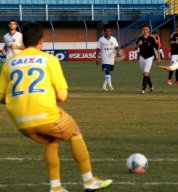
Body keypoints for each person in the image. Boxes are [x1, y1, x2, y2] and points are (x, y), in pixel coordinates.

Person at [0, 22, 112, 192]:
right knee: (74, 131)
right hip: (44, 113)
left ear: (25, 40)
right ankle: (89, 181)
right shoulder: (49, 60)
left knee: (52, 139)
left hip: (20, 121)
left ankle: (56, 187)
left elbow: (1, 96)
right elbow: (62, 96)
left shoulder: (9, 63)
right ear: (41, 41)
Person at [135, 24, 160, 94]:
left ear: (149, 30)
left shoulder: (152, 38)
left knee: (146, 73)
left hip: (149, 57)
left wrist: (158, 58)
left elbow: (157, 48)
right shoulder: (140, 38)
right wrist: (138, 44)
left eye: (146, 29)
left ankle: (143, 89)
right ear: (142, 30)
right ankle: (151, 86)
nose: (145, 31)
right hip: (142, 57)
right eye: (144, 29)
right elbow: (135, 48)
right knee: (145, 74)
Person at [96, 24, 121, 91]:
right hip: (104, 58)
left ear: (111, 32)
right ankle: (111, 86)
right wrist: (97, 58)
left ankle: (103, 86)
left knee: (109, 72)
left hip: (111, 58)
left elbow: (117, 47)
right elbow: (98, 49)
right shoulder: (101, 39)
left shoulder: (113, 39)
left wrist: (118, 52)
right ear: (104, 31)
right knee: (107, 72)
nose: (108, 32)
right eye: (106, 31)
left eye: (109, 31)